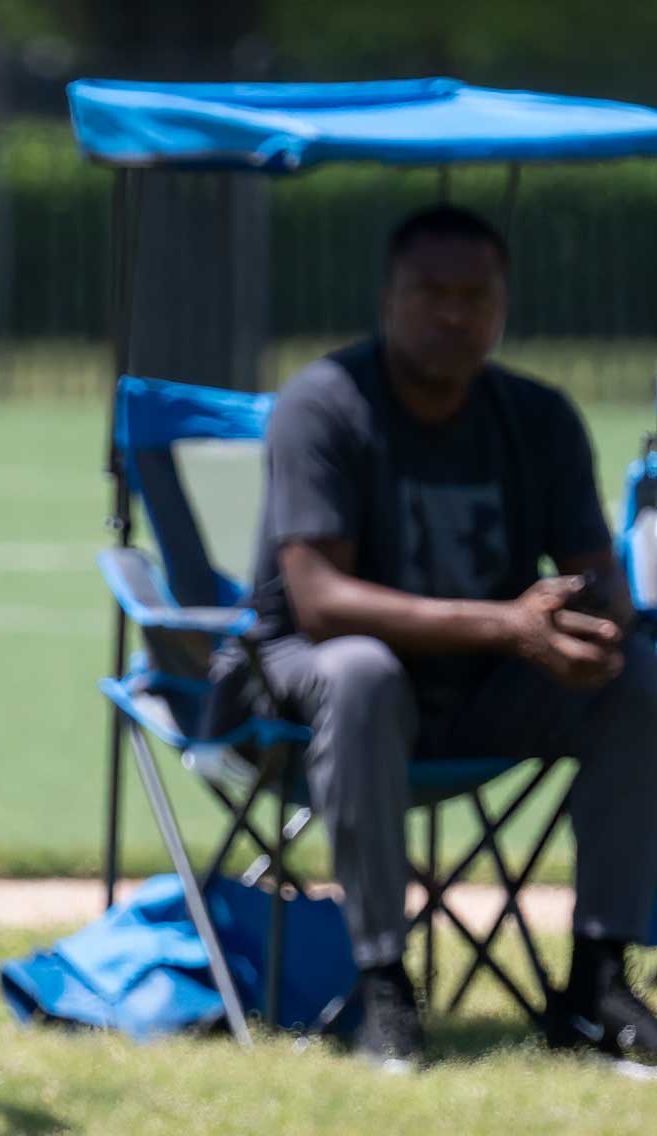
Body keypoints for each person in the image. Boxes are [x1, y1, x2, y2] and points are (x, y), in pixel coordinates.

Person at [238, 204, 657, 1072]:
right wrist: (508, 624)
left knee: (637, 679)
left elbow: (594, 577)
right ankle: (382, 983)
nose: (454, 314)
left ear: (503, 307)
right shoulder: (325, 403)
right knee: (360, 671)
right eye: (431, 293)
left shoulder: (538, 416)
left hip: (482, 691)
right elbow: (319, 603)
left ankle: (598, 982)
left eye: (476, 297)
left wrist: (598, 623)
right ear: (387, 300)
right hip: (311, 697)